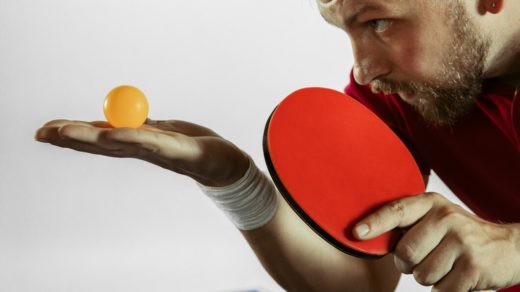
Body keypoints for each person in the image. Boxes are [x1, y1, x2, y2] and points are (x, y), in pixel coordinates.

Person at [35, 0, 519, 291]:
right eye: (345, 28)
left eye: (378, 22)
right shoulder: (397, 96)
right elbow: (363, 284)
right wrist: (236, 184)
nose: (362, 70)